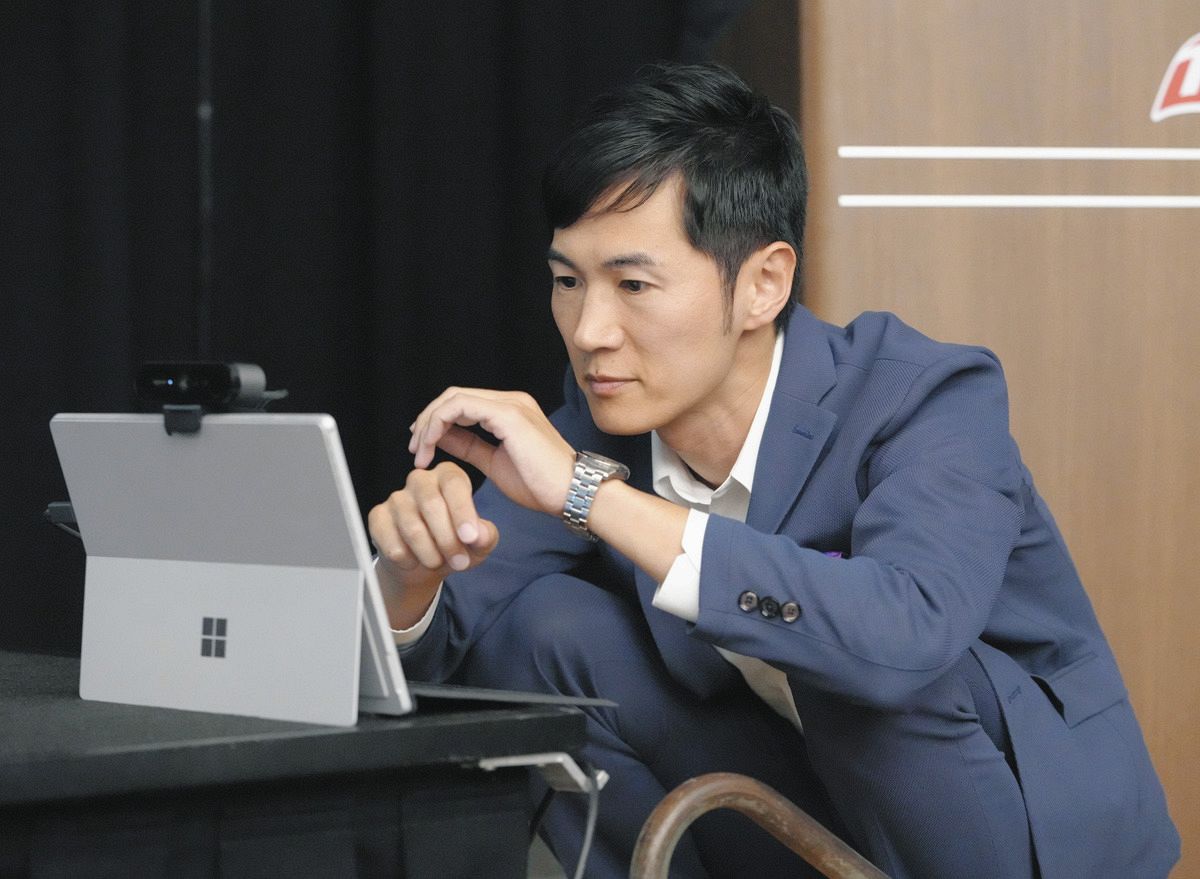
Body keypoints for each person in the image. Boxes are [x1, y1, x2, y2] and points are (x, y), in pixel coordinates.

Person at [368, 63, 1179, 878]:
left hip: (1011, 832)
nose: (588, 331)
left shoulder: (923, 393)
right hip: (812, 808)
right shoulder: (600, 421)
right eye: (567, 282)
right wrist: (411, 579)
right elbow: (449, 658)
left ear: (762, 284)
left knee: (845, 654)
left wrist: (591, 495)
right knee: (542, 634)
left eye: (633, 284)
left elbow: (905, 632)